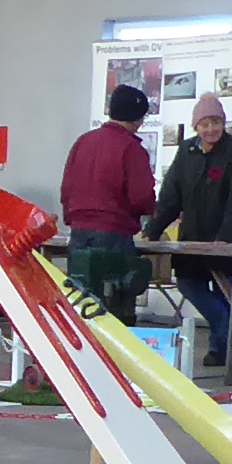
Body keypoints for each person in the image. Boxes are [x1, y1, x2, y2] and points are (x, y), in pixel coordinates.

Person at [144, 95, 232, 365]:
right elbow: (171, 195)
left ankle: (221, 350)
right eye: (205, 124)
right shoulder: (187, 151)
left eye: (216, 122)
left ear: (223, 123)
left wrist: (226, 238)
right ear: (196, 126)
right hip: (192, 240)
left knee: (223, 291)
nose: (211, 129)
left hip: (224, 242)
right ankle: (225, 327)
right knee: (188, 284)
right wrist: (153, 229)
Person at [60, 82, 156, 316]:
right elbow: (142, 197)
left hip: (79, 235)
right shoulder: (132, 149)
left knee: (81, 305)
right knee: (114, 310)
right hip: (114, 236)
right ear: (136, 118)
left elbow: (67, 189)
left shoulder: (83, 141)